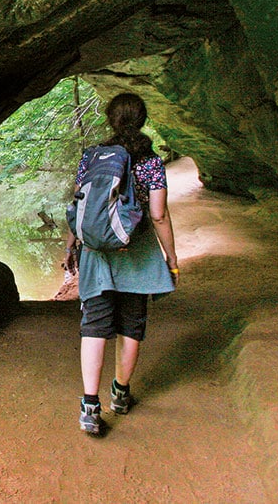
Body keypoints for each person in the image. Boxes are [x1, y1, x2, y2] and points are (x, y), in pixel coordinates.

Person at [64, 92, 179, 435]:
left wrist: (71, 244)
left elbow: (79, 205)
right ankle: (120, 394)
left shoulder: (93, 157)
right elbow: (158, 215)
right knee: (131, 324)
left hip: (98, 252)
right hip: (138, 252)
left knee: (94, 325)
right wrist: (171, 256)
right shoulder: (151, 163)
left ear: (110, 121)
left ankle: (89, 405)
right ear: (142, 120)